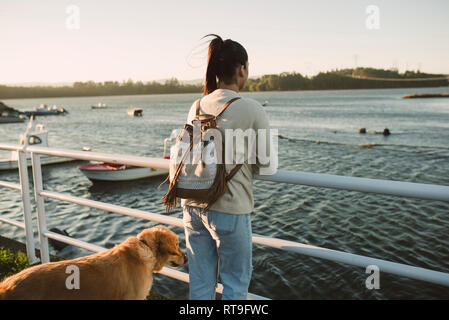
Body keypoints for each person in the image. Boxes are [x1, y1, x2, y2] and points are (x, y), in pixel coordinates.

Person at [182, 34, 274, 300]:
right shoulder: (252, 108)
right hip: (230, 207)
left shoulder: (197, 105)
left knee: (200, 283)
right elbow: (266, 164)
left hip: (192, 203)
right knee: (234, 285)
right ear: (242, 68)